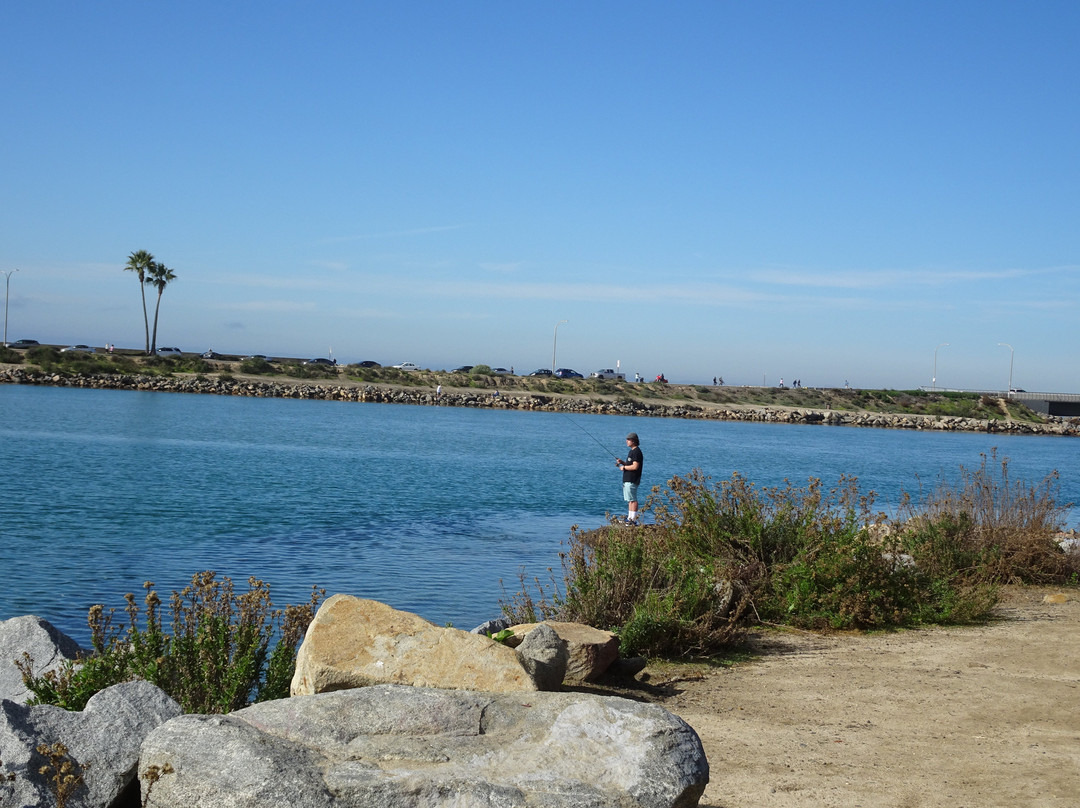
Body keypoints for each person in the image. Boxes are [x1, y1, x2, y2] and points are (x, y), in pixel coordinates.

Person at [615, 432, 643, 526]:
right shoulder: (632, 452)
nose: (627, 441)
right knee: (629, 499)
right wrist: (622, 462)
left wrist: (624, 468)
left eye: (629, 439)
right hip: (628, 479)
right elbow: (630, 465)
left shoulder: (636, 452)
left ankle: (633, 520)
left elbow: (635, 467)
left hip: (632, 479)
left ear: (634, 441)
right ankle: (629, 518)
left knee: (633, 499)